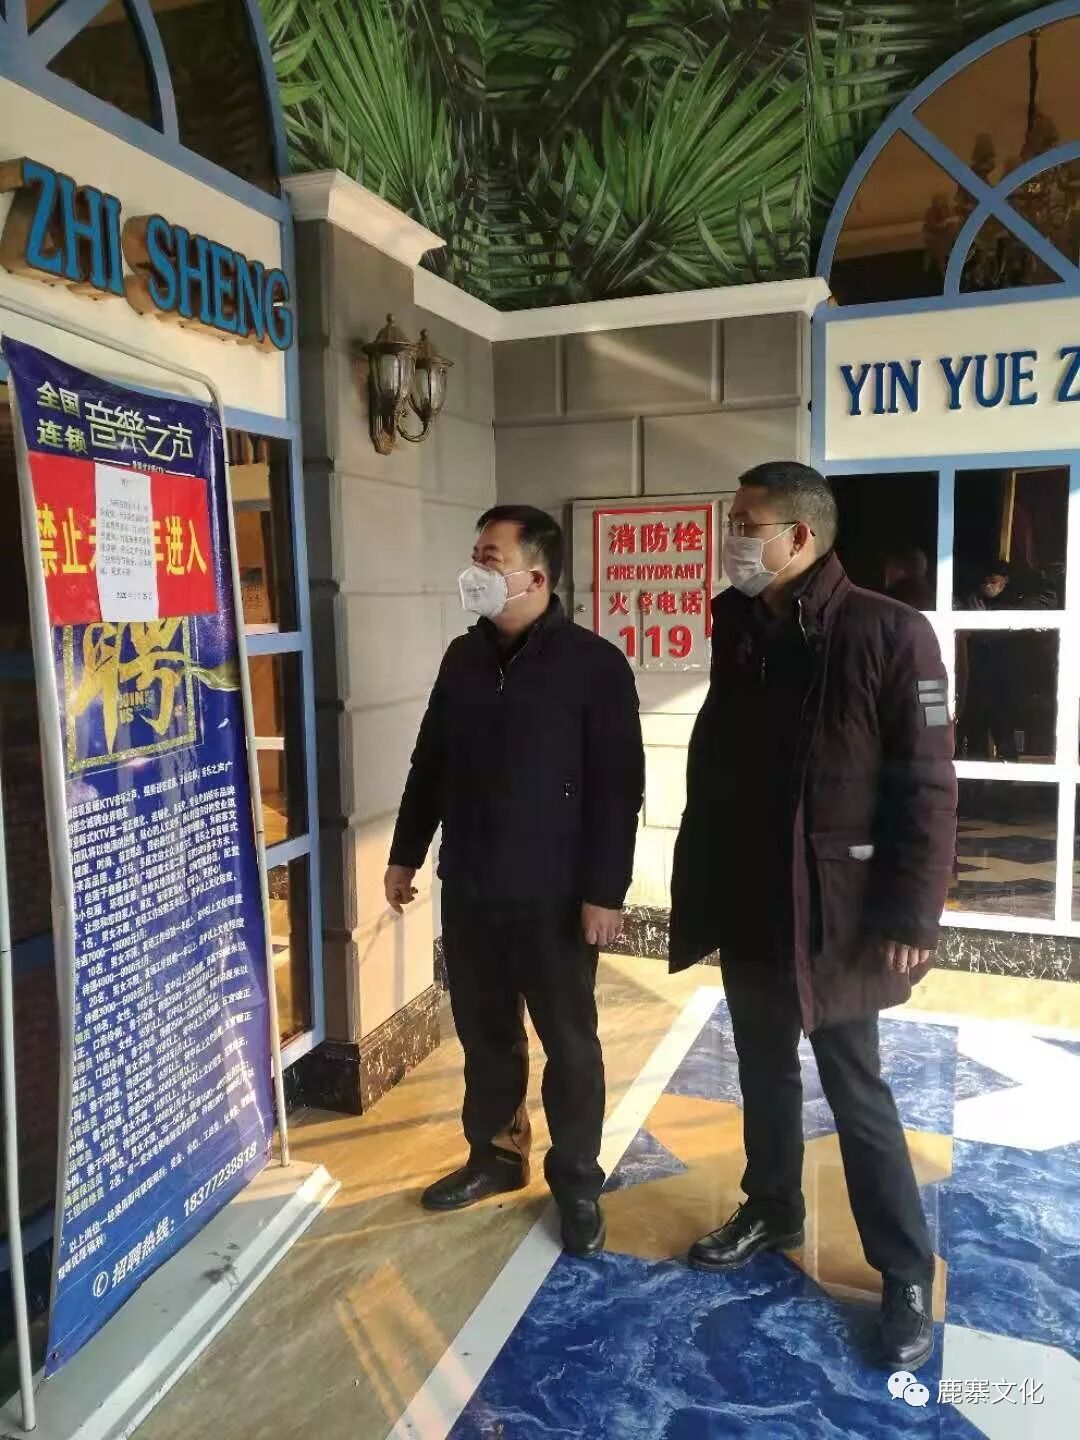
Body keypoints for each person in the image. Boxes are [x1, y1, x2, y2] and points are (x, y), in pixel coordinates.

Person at [669, 462, 957, 1371]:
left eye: (745, 523)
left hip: (839, 908)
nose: (731, 537)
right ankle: (773, 1205)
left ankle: (904, 1271)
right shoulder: (737, 622)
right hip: (751, 894)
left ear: (799, 537)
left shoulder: (890, 632)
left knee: (855, 1086)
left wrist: (912, 912)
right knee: (760, 1069)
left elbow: (928, 787)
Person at [385, 505, 644, 1258]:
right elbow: (430, 762)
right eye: (476, 554)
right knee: (485, 1035)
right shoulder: (462, 659)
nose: (476, 570)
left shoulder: (594, 664)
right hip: (472, 885)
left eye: (490, 558)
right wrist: (406, 853)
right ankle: (495, 1156)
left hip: (556, 897)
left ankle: (577, 1182)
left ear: (536, 575)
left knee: (571, 1045)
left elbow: (618, 789)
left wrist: (605, 892)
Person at [883, 547, 934, 611]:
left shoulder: (889, 599)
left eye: (889, 567)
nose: (886, 574)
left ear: (900, 570)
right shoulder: (936, 598)